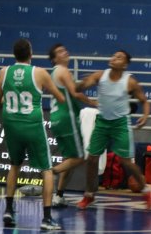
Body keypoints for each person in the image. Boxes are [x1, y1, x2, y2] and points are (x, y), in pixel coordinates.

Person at [0, 38, 66, 231]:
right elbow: (59, 97)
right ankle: (47, 218)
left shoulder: (3, 72)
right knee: (46, 170)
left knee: (14, 165)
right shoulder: (39, 73)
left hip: (11, 124)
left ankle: (8, 210)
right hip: (32, 124)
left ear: (14, 54)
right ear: (31, 54)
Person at [75, 50, 151, 210]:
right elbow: (82, 86)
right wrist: (80, 84)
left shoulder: (130, 82)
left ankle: (146, 190)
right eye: (113, 55)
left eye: (119, 57)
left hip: (120, 124)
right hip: (102, 123)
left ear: (124, 64)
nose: (114, 58)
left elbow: (144, 101)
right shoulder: (100, 76)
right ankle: (89, 195)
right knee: (91, 159)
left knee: (126, 161)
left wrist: (145, 116)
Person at [47, 43, 97, 207]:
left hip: (56, 119)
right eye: (60, 52)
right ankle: (50, 172)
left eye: (64, 49)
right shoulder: (62, 70)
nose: (65, 52)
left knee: (69, 158)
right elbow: (75, 93)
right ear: (54, 59)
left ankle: (59, 195)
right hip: (67, 118)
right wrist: (92, 102)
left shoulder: (54, 73)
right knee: (80, 157)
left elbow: (71, 90)